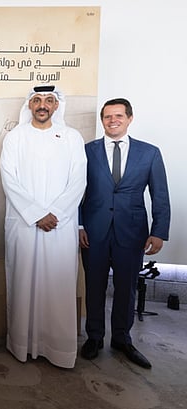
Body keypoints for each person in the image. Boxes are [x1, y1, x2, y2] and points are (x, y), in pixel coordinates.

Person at [0, 85, 87, 368]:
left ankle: (58, 349)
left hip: (60, 227)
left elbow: (78, 181)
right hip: (25, 226)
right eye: (37, 100)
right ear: (30, 104)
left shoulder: (72, 137)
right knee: (23, 284)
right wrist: (37, 214)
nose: (42, 105)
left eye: (49, 100)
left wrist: (56, 214)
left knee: (58, 286)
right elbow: (9, 179)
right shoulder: (15, 137)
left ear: (56, 105)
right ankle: (22, 345)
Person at [79, 98, 170, 369]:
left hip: (132, 233)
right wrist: (79, 225)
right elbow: (75, 190)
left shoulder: (149, 153)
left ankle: (122, 338)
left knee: (126, 287)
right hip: (93, 231)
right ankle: (94, 337)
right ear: (102, 120)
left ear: (130, 118)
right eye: (107, 116)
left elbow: (160, 195)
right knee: (93, 286)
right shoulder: (86, 151)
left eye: (118, 115)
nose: (113, 120)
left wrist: (159, 231)